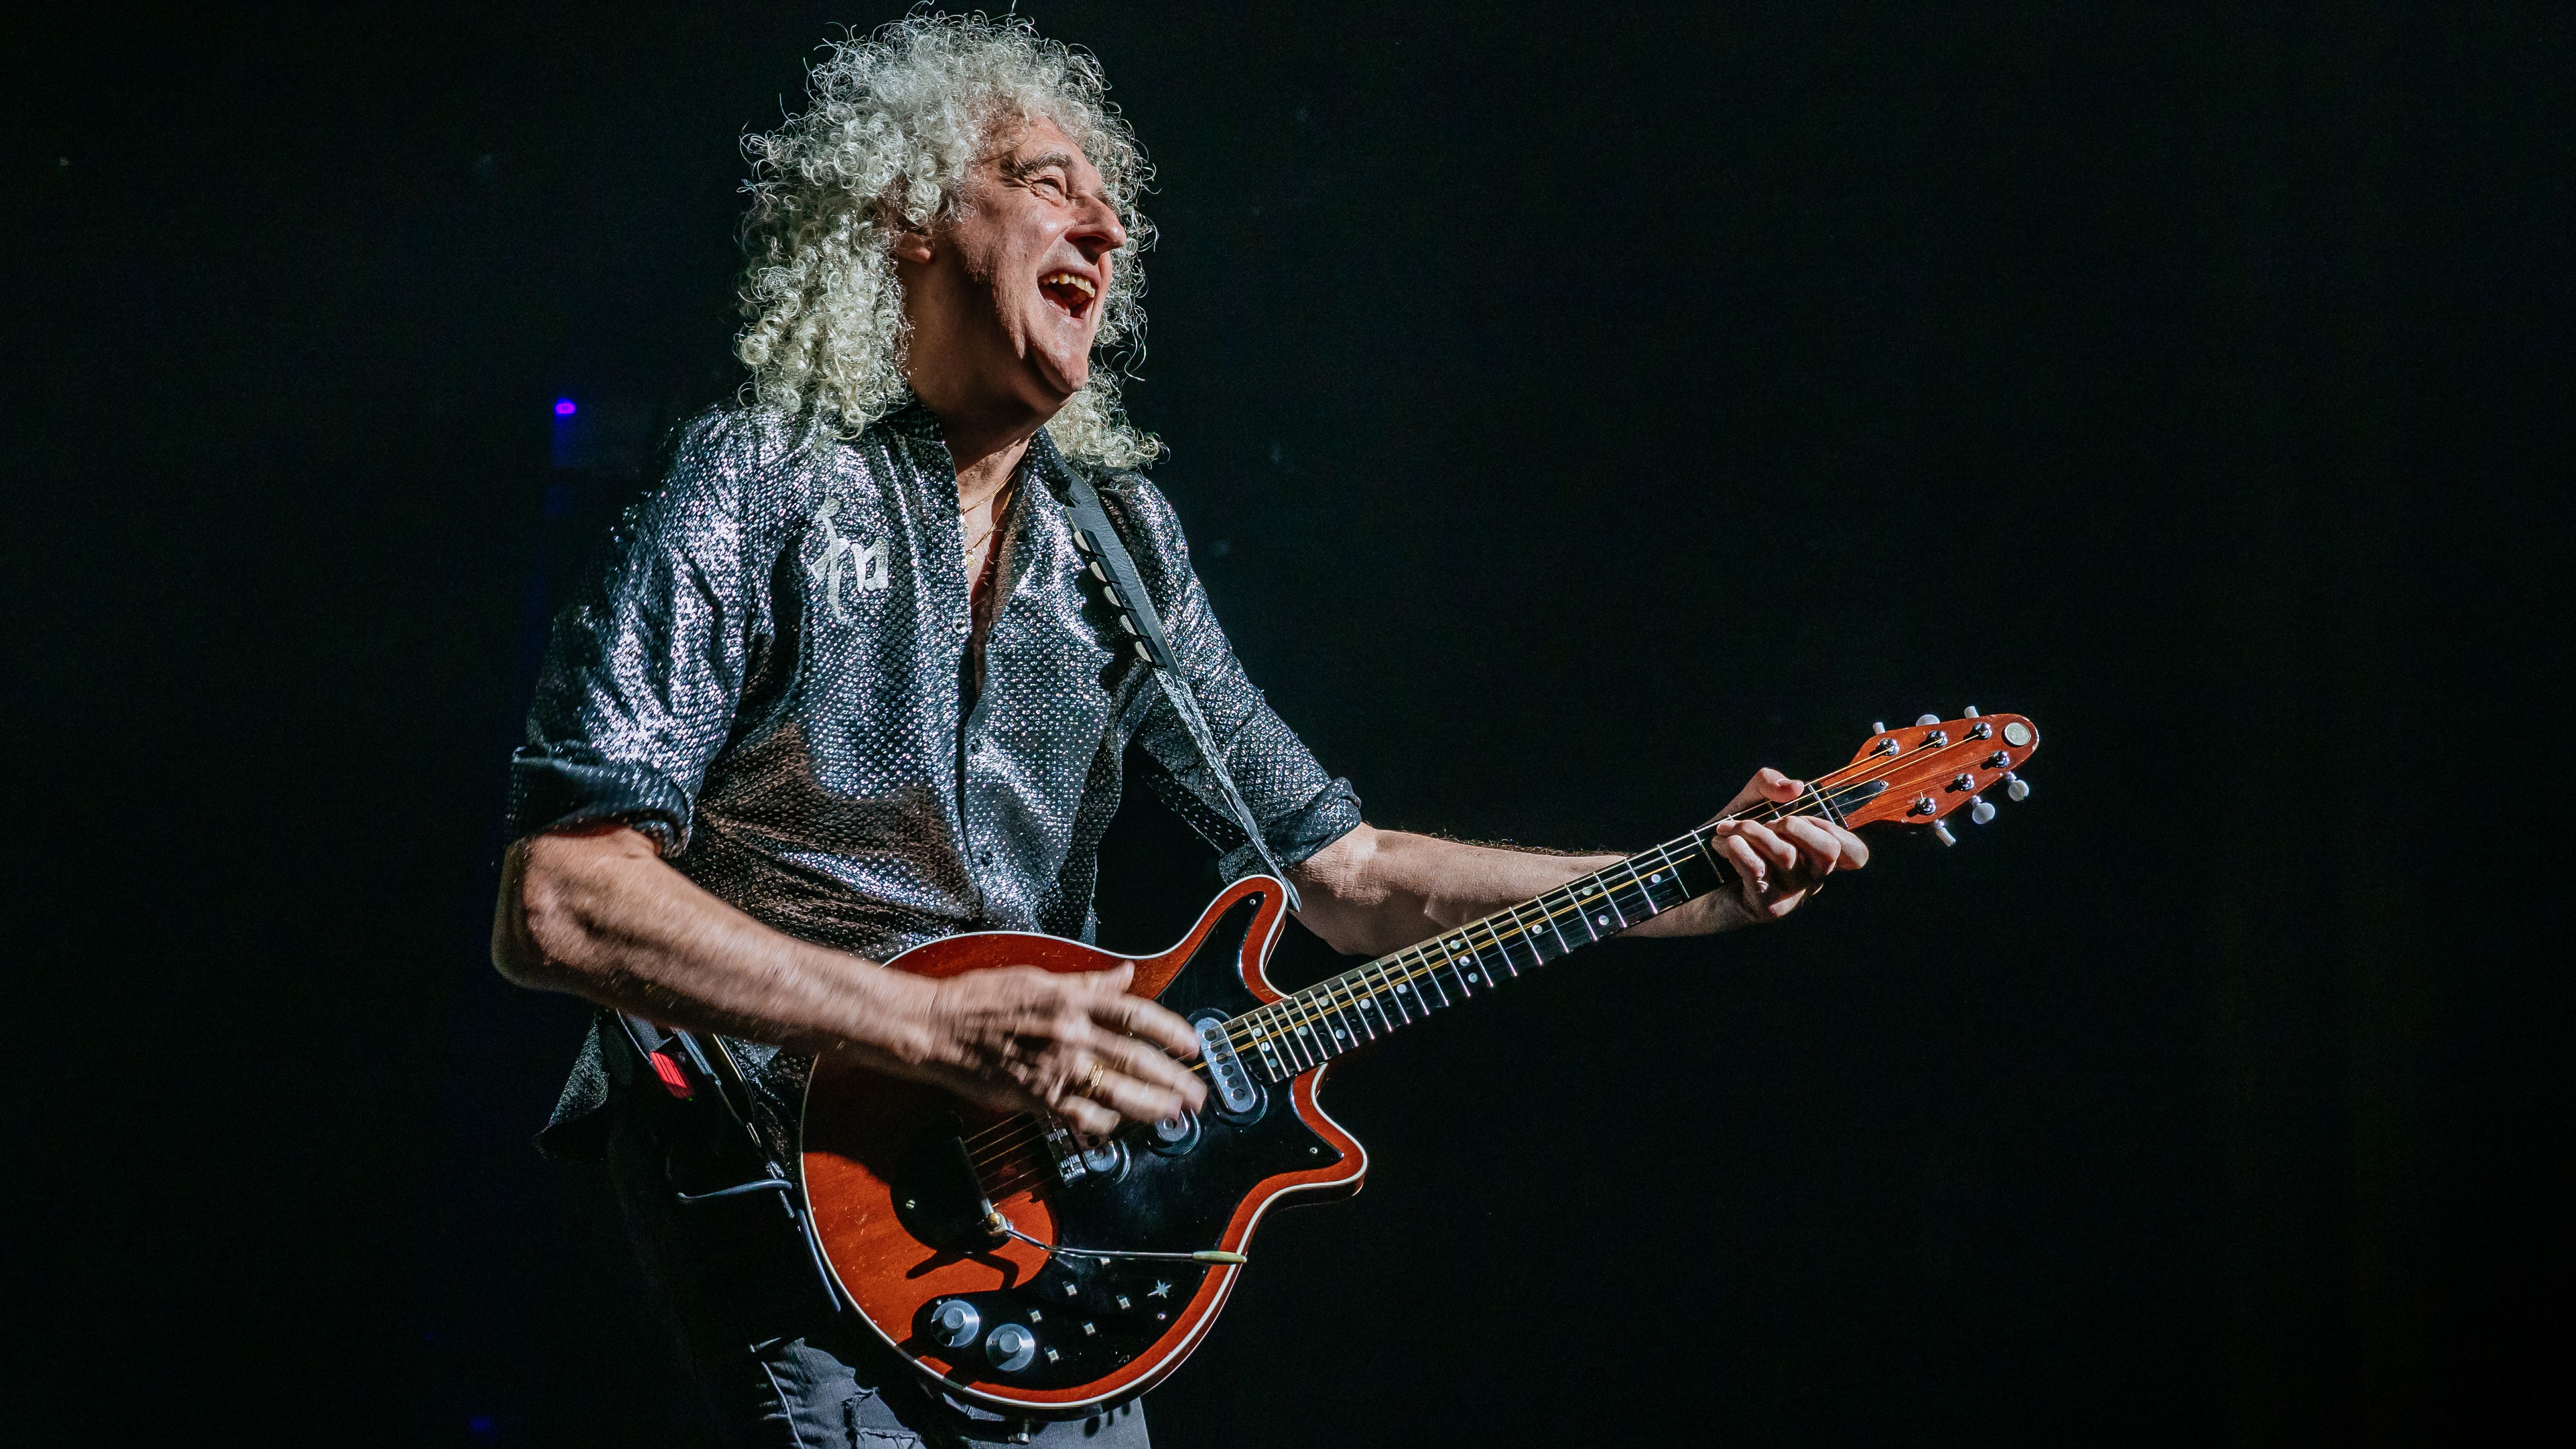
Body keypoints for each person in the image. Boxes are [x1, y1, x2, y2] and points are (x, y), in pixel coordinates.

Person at [489, 14, 1868, 1447]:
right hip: (776, 1160)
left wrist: (1679, 879)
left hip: (1041, 1217)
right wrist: (937, 1025)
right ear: (905, 219)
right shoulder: (758, 476)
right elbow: (562, 896)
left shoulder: (1119, 546)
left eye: (1115, 207)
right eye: (1044, 182)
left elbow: (1349, 871)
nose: (1106, 227)